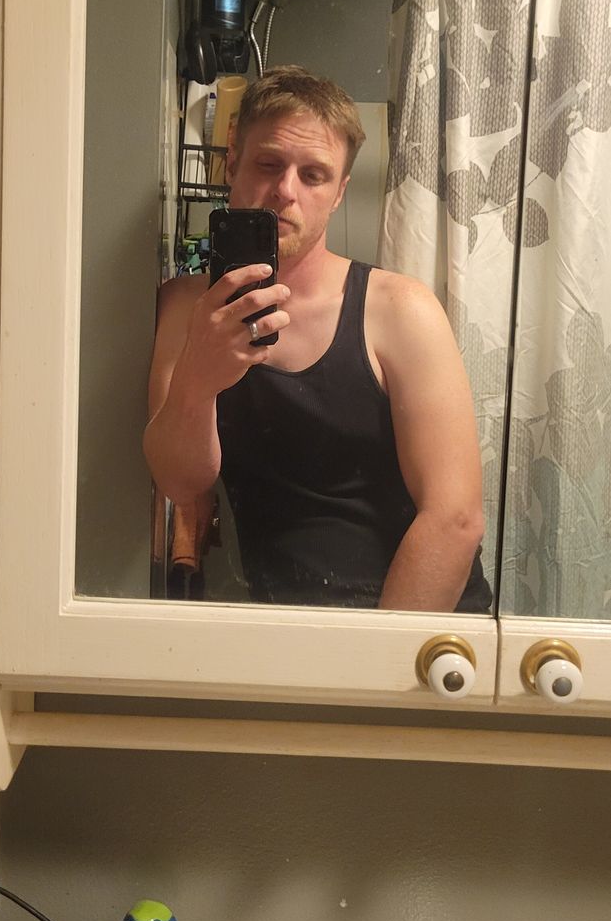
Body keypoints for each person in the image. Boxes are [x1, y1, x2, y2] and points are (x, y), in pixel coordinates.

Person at [144, 66, 491, 613]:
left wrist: (373, 657)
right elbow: (180, 482)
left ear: (338, 193)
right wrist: (198, 378)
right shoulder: (186, 307)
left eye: (314, 175)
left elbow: (455, 518)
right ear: (232, 164)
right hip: (286, 627)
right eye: (268, 164)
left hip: (416, 630)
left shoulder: (400, 311)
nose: (286, 191)